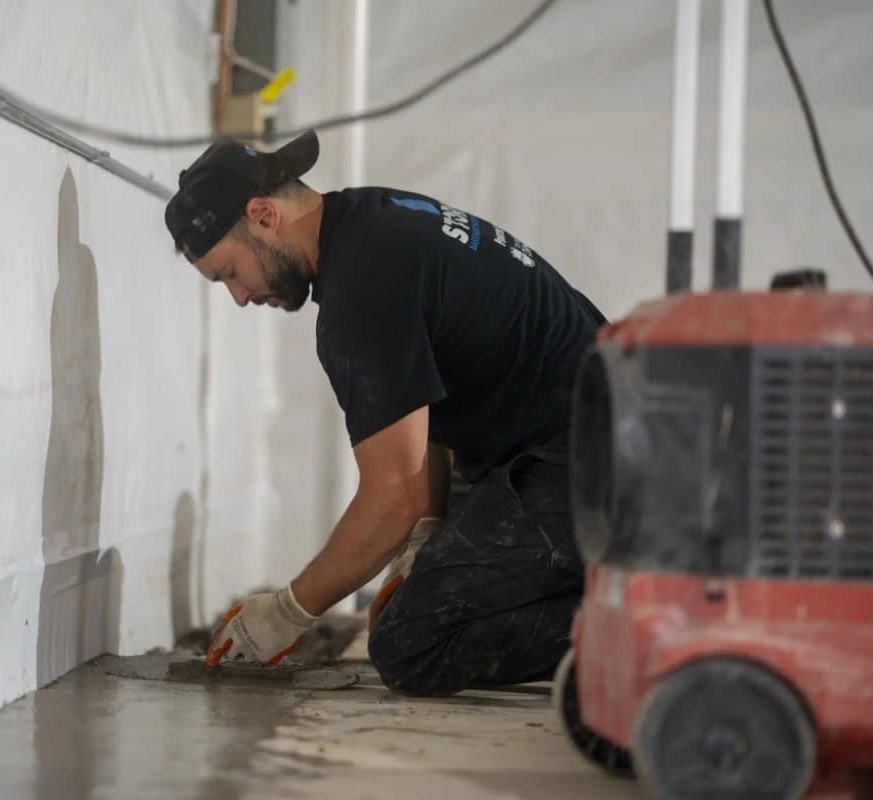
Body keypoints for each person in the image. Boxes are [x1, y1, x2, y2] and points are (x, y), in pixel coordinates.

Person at [163, 130, 605, 695]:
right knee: (425, 591)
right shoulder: (374, 218)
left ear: (263, 216)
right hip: (587, 433)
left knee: (411, 642)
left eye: (229, 273)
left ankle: (641, 622)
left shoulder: (360, 294)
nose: (241, 297)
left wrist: (289, 610)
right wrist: (426, 530)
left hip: (588, 462)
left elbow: (395, 492)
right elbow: (432, 403)